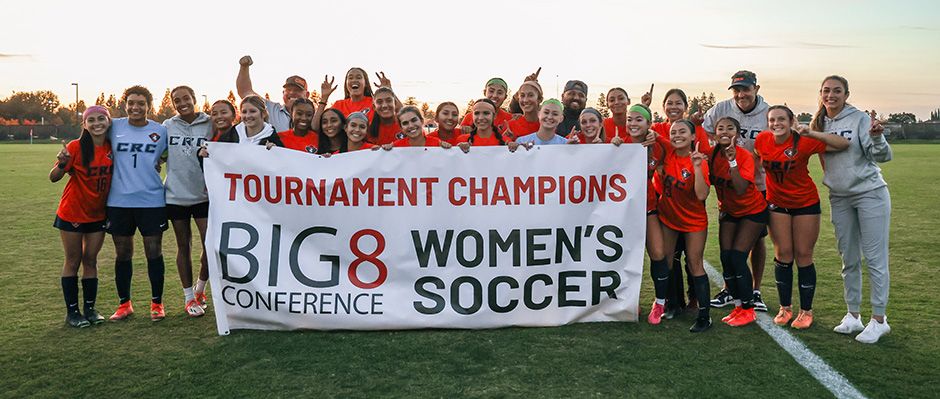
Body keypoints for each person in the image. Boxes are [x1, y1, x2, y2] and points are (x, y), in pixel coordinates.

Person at [809, 76, 894, 343]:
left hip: (870, 194)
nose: (831, 95)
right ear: (820, 94)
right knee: (849, 259)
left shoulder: (858, 119)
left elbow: (883, 156)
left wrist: (877, 138)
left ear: (846, 94)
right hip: (840, 197)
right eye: (826, 91)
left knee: (875, 258)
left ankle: (879, 320)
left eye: (837, 91)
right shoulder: (819, 122)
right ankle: (853, 315)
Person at [754, 105, 849, 330]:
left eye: (781, 119)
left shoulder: (803, 140)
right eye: (772, 120)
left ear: (791, 120)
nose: (776, 124)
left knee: (803, 254)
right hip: (777, 204)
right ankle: (785, 308)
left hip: (805, 203)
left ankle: (806, 311)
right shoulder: (762, 140)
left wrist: (810, 132)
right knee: (783, 253)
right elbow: (757, 159)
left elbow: (843, 144)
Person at [701, 72, 771, 313]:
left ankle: (755, 289)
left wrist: (738, 158)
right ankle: (731, 290)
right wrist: (721, 147)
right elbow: (704, 133)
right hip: (728, 189)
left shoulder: (767, 112)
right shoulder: (720, 109)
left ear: (756, 88)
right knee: (728, 250)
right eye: (736, 90)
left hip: (758, 184)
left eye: (746, 89)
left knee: (755, 241)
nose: (741, 94)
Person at [106, 86, 170, 322]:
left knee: (153, 251)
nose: (135, 107)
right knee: (123, 253)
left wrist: (159, 162)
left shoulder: (160, 131)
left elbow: (167, 156)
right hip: (119, 201)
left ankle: (157, 303)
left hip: (151, 200)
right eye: (131, 102)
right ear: (125, 104)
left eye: (141, 103)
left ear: (149, 106)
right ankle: (124, 304)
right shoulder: (114, 127)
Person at [50, 105, 113, 328]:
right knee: (73, 260)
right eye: (91, 120)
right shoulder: (76, 147)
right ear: (84, 125)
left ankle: (90, 309)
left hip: (98, 214)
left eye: (101, 119)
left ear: (108, 120)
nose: (97, 123)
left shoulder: (112, 146)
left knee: (91, 260)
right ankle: (72, 313)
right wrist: (61, 161)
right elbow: (54, 177)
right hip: (72, 212)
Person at [610, 105, 670, 325]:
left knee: (657, 252)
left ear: (648, 124)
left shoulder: (656, 145)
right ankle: (625, 301)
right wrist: (612, 147)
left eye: (638, 120)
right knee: (622, 256)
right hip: (623, 212)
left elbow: (675, 149)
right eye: (629, 119)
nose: (633, 124)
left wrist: (659, 138)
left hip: (647, 208)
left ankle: (660, 302)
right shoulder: (621, 144)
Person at [709, 116, 768, 327]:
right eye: (720, 128)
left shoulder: (744, 156)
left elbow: (741, 188)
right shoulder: (712, 154)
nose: (724, 131)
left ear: (738, 133)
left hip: (752, 211)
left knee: (737, 257)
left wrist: (732, 161)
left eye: (730, 128)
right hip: (729, 211)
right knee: (726, 257)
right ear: (715, 134)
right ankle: (737, 305)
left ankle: (748, 307)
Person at [657, 120, 712, 332]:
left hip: (693, 220)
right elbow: (651, 135)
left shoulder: (698, 161)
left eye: (682, 132)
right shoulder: (668, 153)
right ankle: (672, 305)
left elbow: (701, 195)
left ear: (692, 137)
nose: (677, 135)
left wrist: (697, 167)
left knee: (694, 262)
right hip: (669, 218)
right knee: (667, 260)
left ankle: (704, 316)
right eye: (673, 132)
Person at [163, 86, 212, 317]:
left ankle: (200, 289)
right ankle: (188, 298)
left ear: (194, 99)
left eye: (186, 98)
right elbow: (158, 155)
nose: (182, 103)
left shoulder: (209, 123)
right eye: (177, 100)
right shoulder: (167, 126)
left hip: (204, 195)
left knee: (210, 246)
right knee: (184, 246)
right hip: (175, 196)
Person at [236, 55, 307, 132]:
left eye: (297, 90)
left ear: (307, 95)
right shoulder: (270, 109)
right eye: (288, 89)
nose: (292, 92)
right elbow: (244, 91)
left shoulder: (314, 117)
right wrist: (244, 67)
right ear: (283, 93)